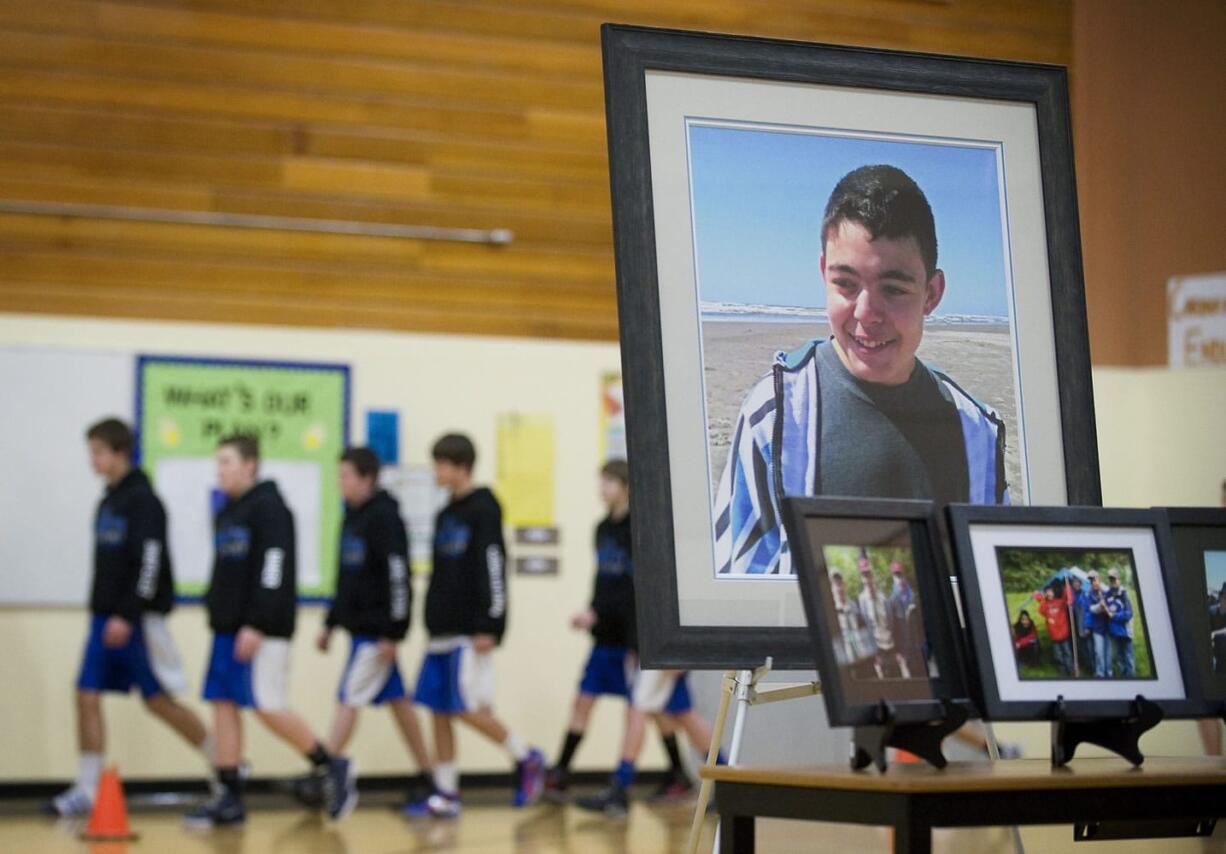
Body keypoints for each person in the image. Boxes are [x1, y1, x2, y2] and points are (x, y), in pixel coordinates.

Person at [714, 164, 1009, 576]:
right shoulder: (776, 416)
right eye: (846, 284)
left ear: (932, 293)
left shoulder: (975, 431)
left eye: (894, 289)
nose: (867, 314)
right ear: (823, 275)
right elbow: (735, 590)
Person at [186, 434, 356, 828]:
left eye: (227, 462)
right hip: (226, 628)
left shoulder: (271, 509)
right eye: (218, 463)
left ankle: (331, 764)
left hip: (263, 629)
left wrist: (257, 623)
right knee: (222, 703)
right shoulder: (228, 512)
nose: (221, 470)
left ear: (250, 465)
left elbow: (274, 568)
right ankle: (228, 795)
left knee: (267, 703)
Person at [48, 418, 213, 817]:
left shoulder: (144, 501)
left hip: (134, 620)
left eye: (99, 452)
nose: (93, 460)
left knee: (158, 701)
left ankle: (226, 766)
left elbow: (150, 561)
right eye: (91, 452)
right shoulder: (108, 501)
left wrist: (128, 613)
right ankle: (87, 788)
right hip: (102, 617)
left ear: (121, 453)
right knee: (85, 695)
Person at [408, 433, 544, 818]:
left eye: (441, 464)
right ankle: (446, 792)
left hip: (470, 630)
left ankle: (526, 756)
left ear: (460, 467)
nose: (436, 471)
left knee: (465, 707)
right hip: (440, 629)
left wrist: (493, 623)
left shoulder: (484, 508)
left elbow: (493, 566)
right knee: (437, 709)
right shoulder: (443, 514)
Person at [296, 447, 433, 809]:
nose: (340, 483)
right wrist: (329, 623)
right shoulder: (351, 518)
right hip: (358, 629)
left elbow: (399, 577)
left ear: (367, 478)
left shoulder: (386, 519)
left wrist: (394, 631)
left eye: (345, 476)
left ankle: (326, 771)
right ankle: (428, 774)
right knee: (400, 704)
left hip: (377, 631)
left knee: (348, 697)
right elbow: (345, 578)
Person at [575, 668, 724, 818]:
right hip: (661, 651)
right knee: (684, 713)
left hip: (662, 651)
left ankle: (619, 789)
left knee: (638, 711)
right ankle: (725, 777)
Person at [857, 551, 909, 679]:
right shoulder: (861, 602)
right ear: (861, 578)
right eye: (864, 576)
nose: (867, 579)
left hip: (892, 649)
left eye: (869, 575)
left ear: (873, 576)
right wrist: (873, 656)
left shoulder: (885, 600)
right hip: (878, 653)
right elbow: (864, 630)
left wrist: (900, 650)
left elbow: (895, 626)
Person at [1033, 582, 1073, 675]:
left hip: (1063, 633)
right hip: (1054, 635)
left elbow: (1067, 598)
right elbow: (1041, 610)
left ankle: (1070, 669)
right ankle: (1062, 670)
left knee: (1067, 652)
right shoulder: (1045, 605)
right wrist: (1040, 598)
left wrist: (1067, 587)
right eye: (1047, 592)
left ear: (1054, 592)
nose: (1049, 593)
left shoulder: (1060, 602)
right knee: (1058, 655)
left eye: (1050, 591)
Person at [1103, 568, 1135, 677]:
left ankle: (1132, 680)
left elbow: (1129, 613)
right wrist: (1103, 607)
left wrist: (1115, 616)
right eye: (1111, 580)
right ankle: (1124, 679)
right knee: (1120, 658)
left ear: (1118, 580)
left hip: (1125, 631)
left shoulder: (1124, 594)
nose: (1113, 582)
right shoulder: (1107, 595)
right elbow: (1105, 609)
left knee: (1128, 658)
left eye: (1114, 579)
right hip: (1115, 632)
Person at [1083, 570, 1111, 677]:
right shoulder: (1088, 595)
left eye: (1095, 580)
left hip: (1108, 628)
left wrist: (1105, 606)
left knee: (1108, 655)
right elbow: (1089, 611)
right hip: (1097, 629)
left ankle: (1109, 674)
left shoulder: (1106, 593)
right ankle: (1100, 674)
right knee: (1098, 653)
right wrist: (1087, 626)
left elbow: (1111, 608)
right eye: (1091, 581)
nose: (1094, 582)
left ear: (1099, 580)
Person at [1068, 573, 1093, 677]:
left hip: (1084, 622)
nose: (1076, 584)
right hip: (1073, 621)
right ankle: (1082, 664)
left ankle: (1090, 665)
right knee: (1079, 645)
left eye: (1078, 582)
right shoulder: (1070, 593)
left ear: (1081, 583)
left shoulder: (1084, 594)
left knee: (1088, 646)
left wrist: (1087, 626)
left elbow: (1087, 610)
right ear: (1072, 584)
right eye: (1074, 582)